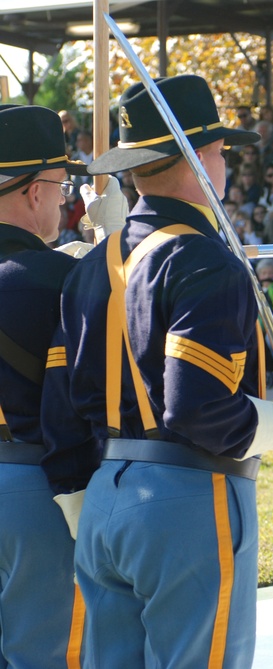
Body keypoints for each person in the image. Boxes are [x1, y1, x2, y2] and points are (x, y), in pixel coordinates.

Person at [41, 74, 273, 668]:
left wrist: (82, 499)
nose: (223, 161)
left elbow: (62, 401)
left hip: (102, 499)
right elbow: (200, 409)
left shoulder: (91, 264)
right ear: (201, 156)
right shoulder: (204, 259)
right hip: (187, 496)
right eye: (221, 150)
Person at [0, 103, 95, 669]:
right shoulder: (58, 278)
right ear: (35, 192)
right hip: (35, 484)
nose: (66, 200)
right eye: (61, 187)